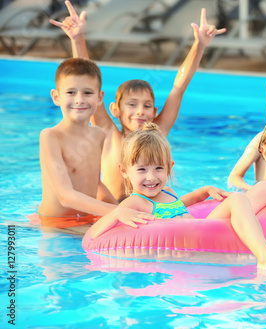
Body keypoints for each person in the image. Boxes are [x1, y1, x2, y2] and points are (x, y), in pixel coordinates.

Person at [90, 123, 266, 275]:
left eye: (159, 168)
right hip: (191, 238)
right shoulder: (135, 202)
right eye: (142, 170)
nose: (151, 177)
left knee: (264, 188)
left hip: (201, 227)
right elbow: (92, 236)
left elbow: (179, 205)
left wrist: (205, 190)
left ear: (169, 167)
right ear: (125, 171)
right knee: (238, 201)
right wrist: (116, 213)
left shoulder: (164, 193)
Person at [51, 1, 226, 201]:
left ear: (155, 111)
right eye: (132, 105)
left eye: (147, 106)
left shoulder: (158, 133)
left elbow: (178, 88)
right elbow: (88, 80)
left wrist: (199, 45)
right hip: (113, 213)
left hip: (150, 214)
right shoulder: (109, 135)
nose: (140, 112)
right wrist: (77, 39)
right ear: (115, 109)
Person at [38, 57, 153, 232]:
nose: (79, 100)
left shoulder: (98, 135)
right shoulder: (50, 137)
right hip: (56, 224)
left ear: (100, 98)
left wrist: (122, 209)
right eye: (71, 92)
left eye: (87, 93)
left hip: (86, 219)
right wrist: (118, 211)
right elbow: (65, 196)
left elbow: (96, 184)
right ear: (56, 96)